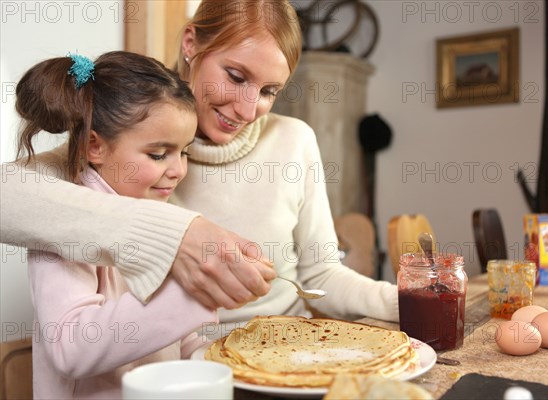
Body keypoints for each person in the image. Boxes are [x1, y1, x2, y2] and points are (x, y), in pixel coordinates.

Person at [1, 0, 398, 330]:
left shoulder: (295, 140)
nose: (246, 109)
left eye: (268, 91)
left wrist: (408, 302)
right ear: (191, 42)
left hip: (285, 357)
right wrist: (178, 235)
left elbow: (322, 276)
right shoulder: (133, 134)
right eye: (236, 75)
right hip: (180, 369)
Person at [16, 51, 221, 399]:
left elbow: (175, 337)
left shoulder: (158, 214)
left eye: (184, 152)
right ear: (94, 146)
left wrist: (215, 358)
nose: (178, 170)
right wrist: (195, 293)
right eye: (159, 154)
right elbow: (72, 349)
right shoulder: (59, 225)